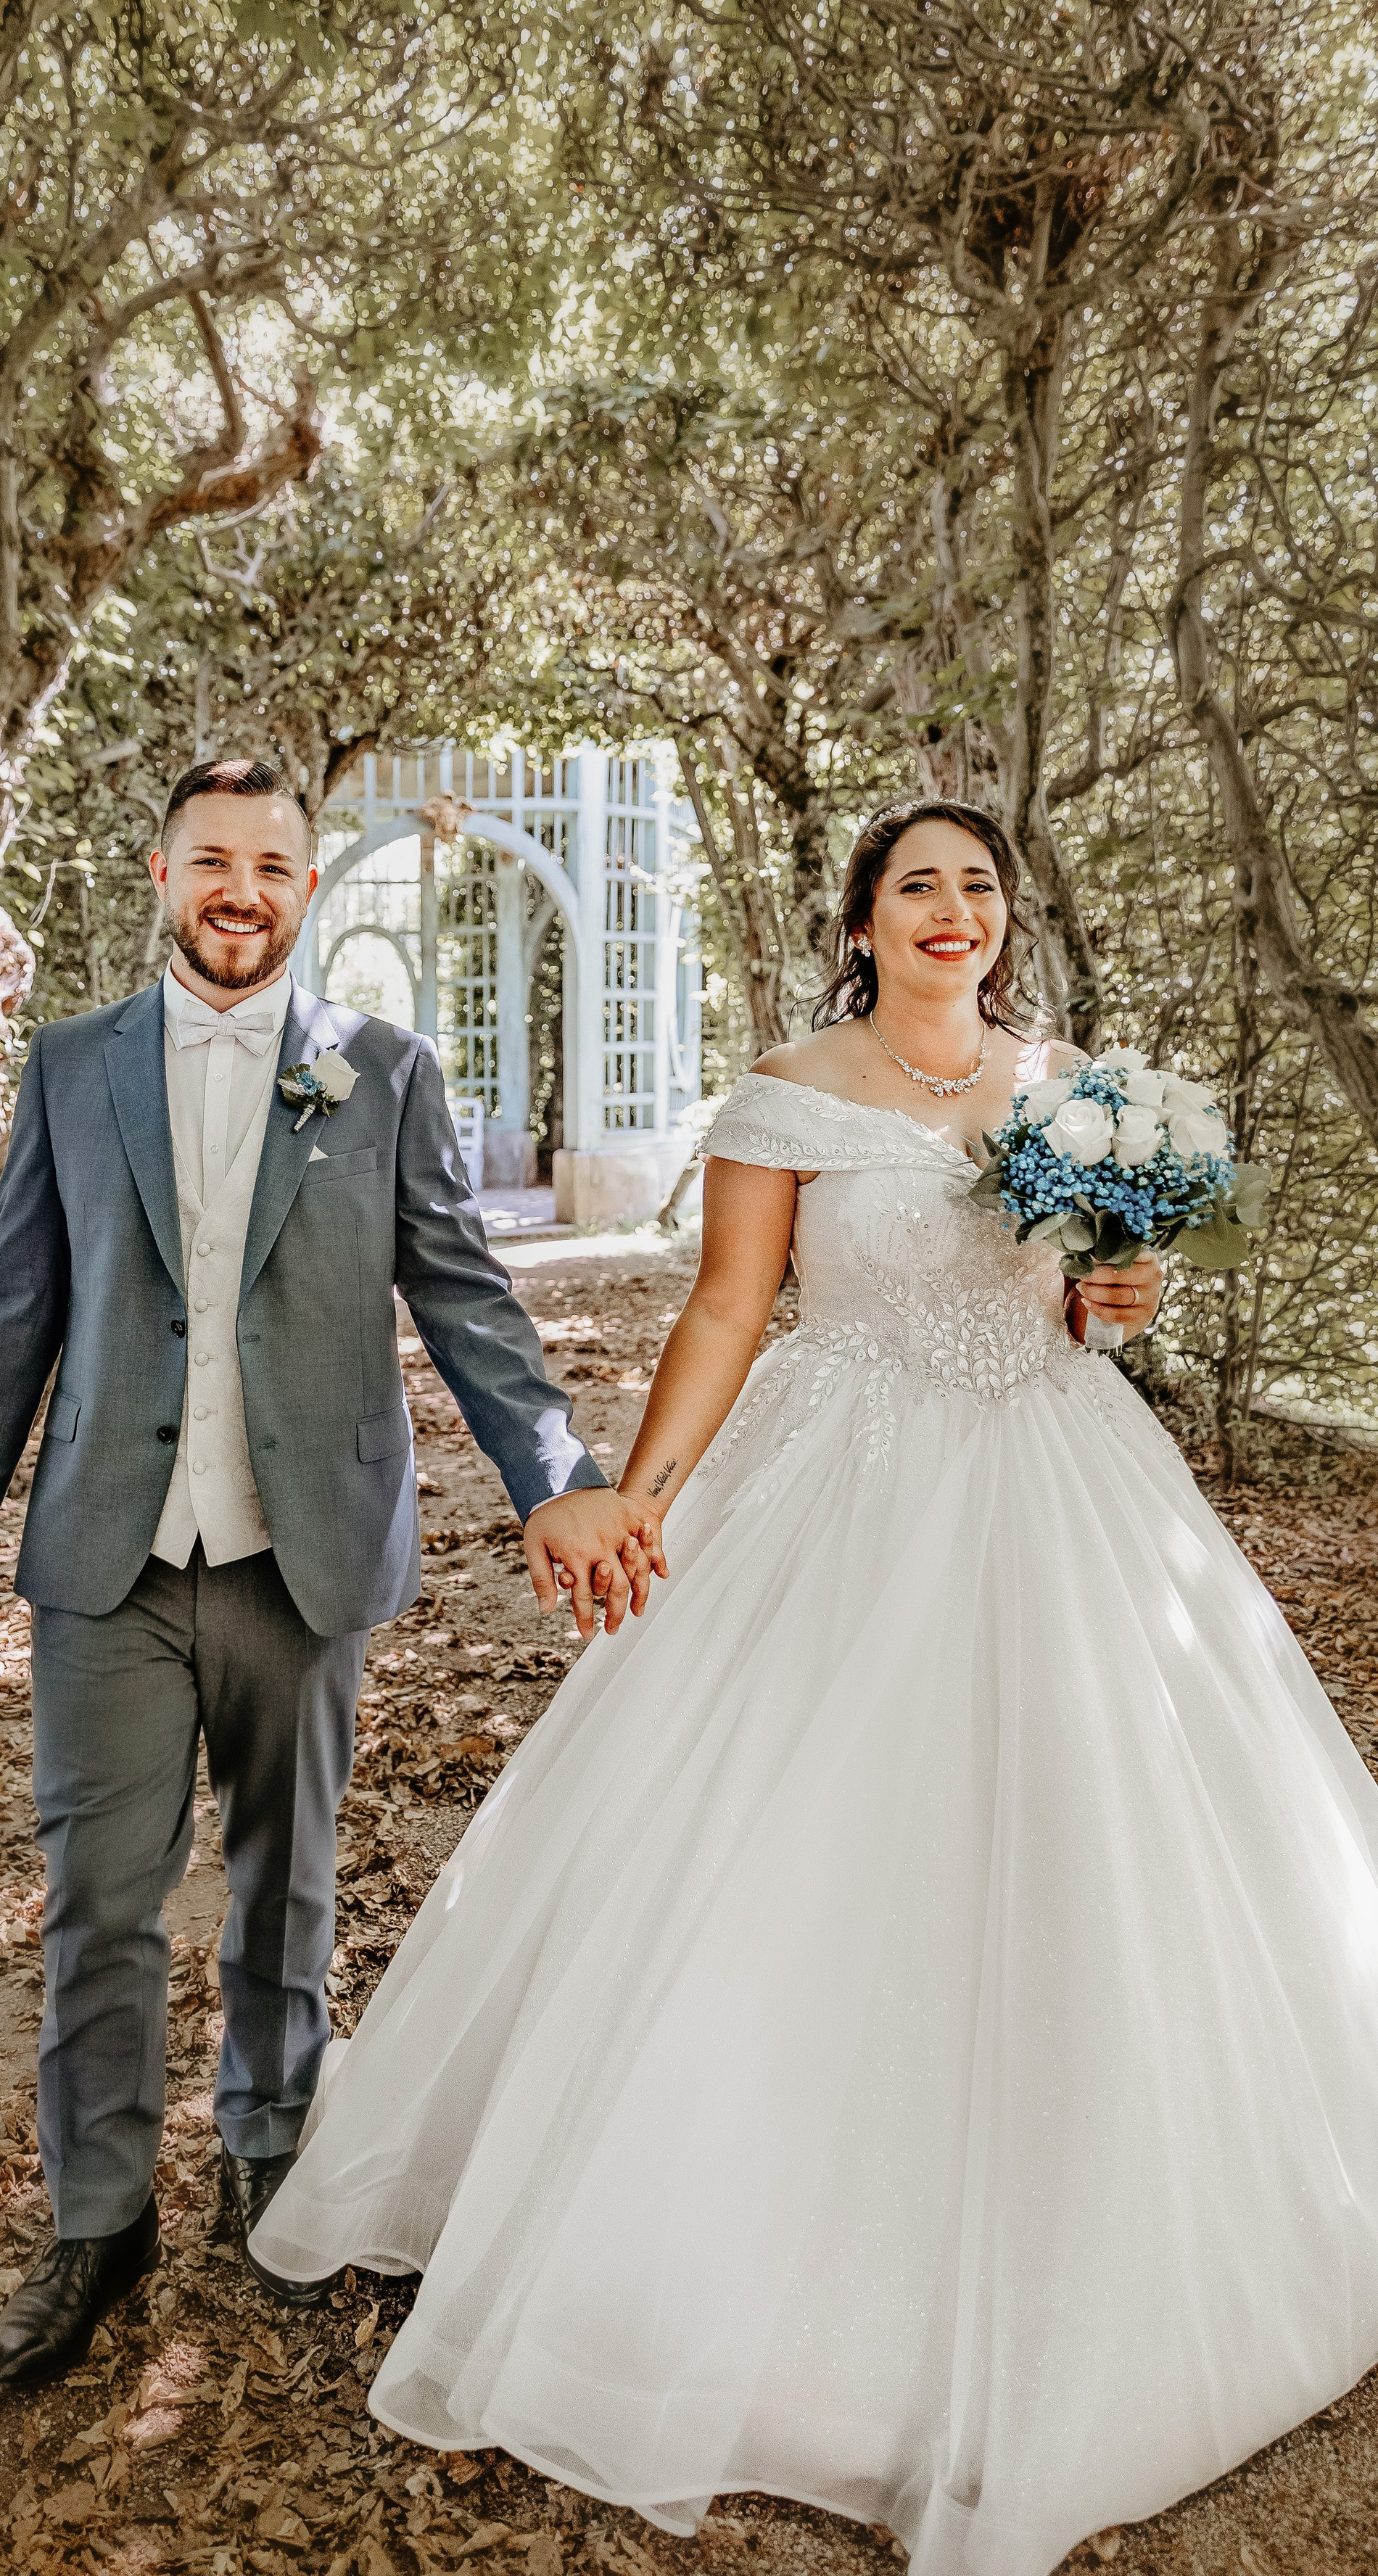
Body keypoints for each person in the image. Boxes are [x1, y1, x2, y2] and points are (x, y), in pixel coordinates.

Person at [250, 796, 1378, 2576]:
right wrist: (634, 1492)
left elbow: (1086, 1300)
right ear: (860, 920)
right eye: (915, 886)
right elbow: (724, 1310)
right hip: (842, 1473)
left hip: (1058, 1474)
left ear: (1003, 923)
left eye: (977, 888)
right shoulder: (790, 1089)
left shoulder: (1065, 1082)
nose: (951, 911)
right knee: (804, 1845)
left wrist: (1122, 1291)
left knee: (1096, 1837)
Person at [0, 756, 659, 2385]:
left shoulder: (382, 1071)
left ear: (307, 891)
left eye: (273, 867)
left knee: (284, 1890)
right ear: (163, 876)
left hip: (300, 1552)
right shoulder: (69, 1066)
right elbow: (15, 1310)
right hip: (107, 1554)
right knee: (97, 1911)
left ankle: (270, 2147)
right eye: (211, 862)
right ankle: (96, 2221)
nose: (241, 891)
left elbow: (463, 1302)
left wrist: (557, 1476)